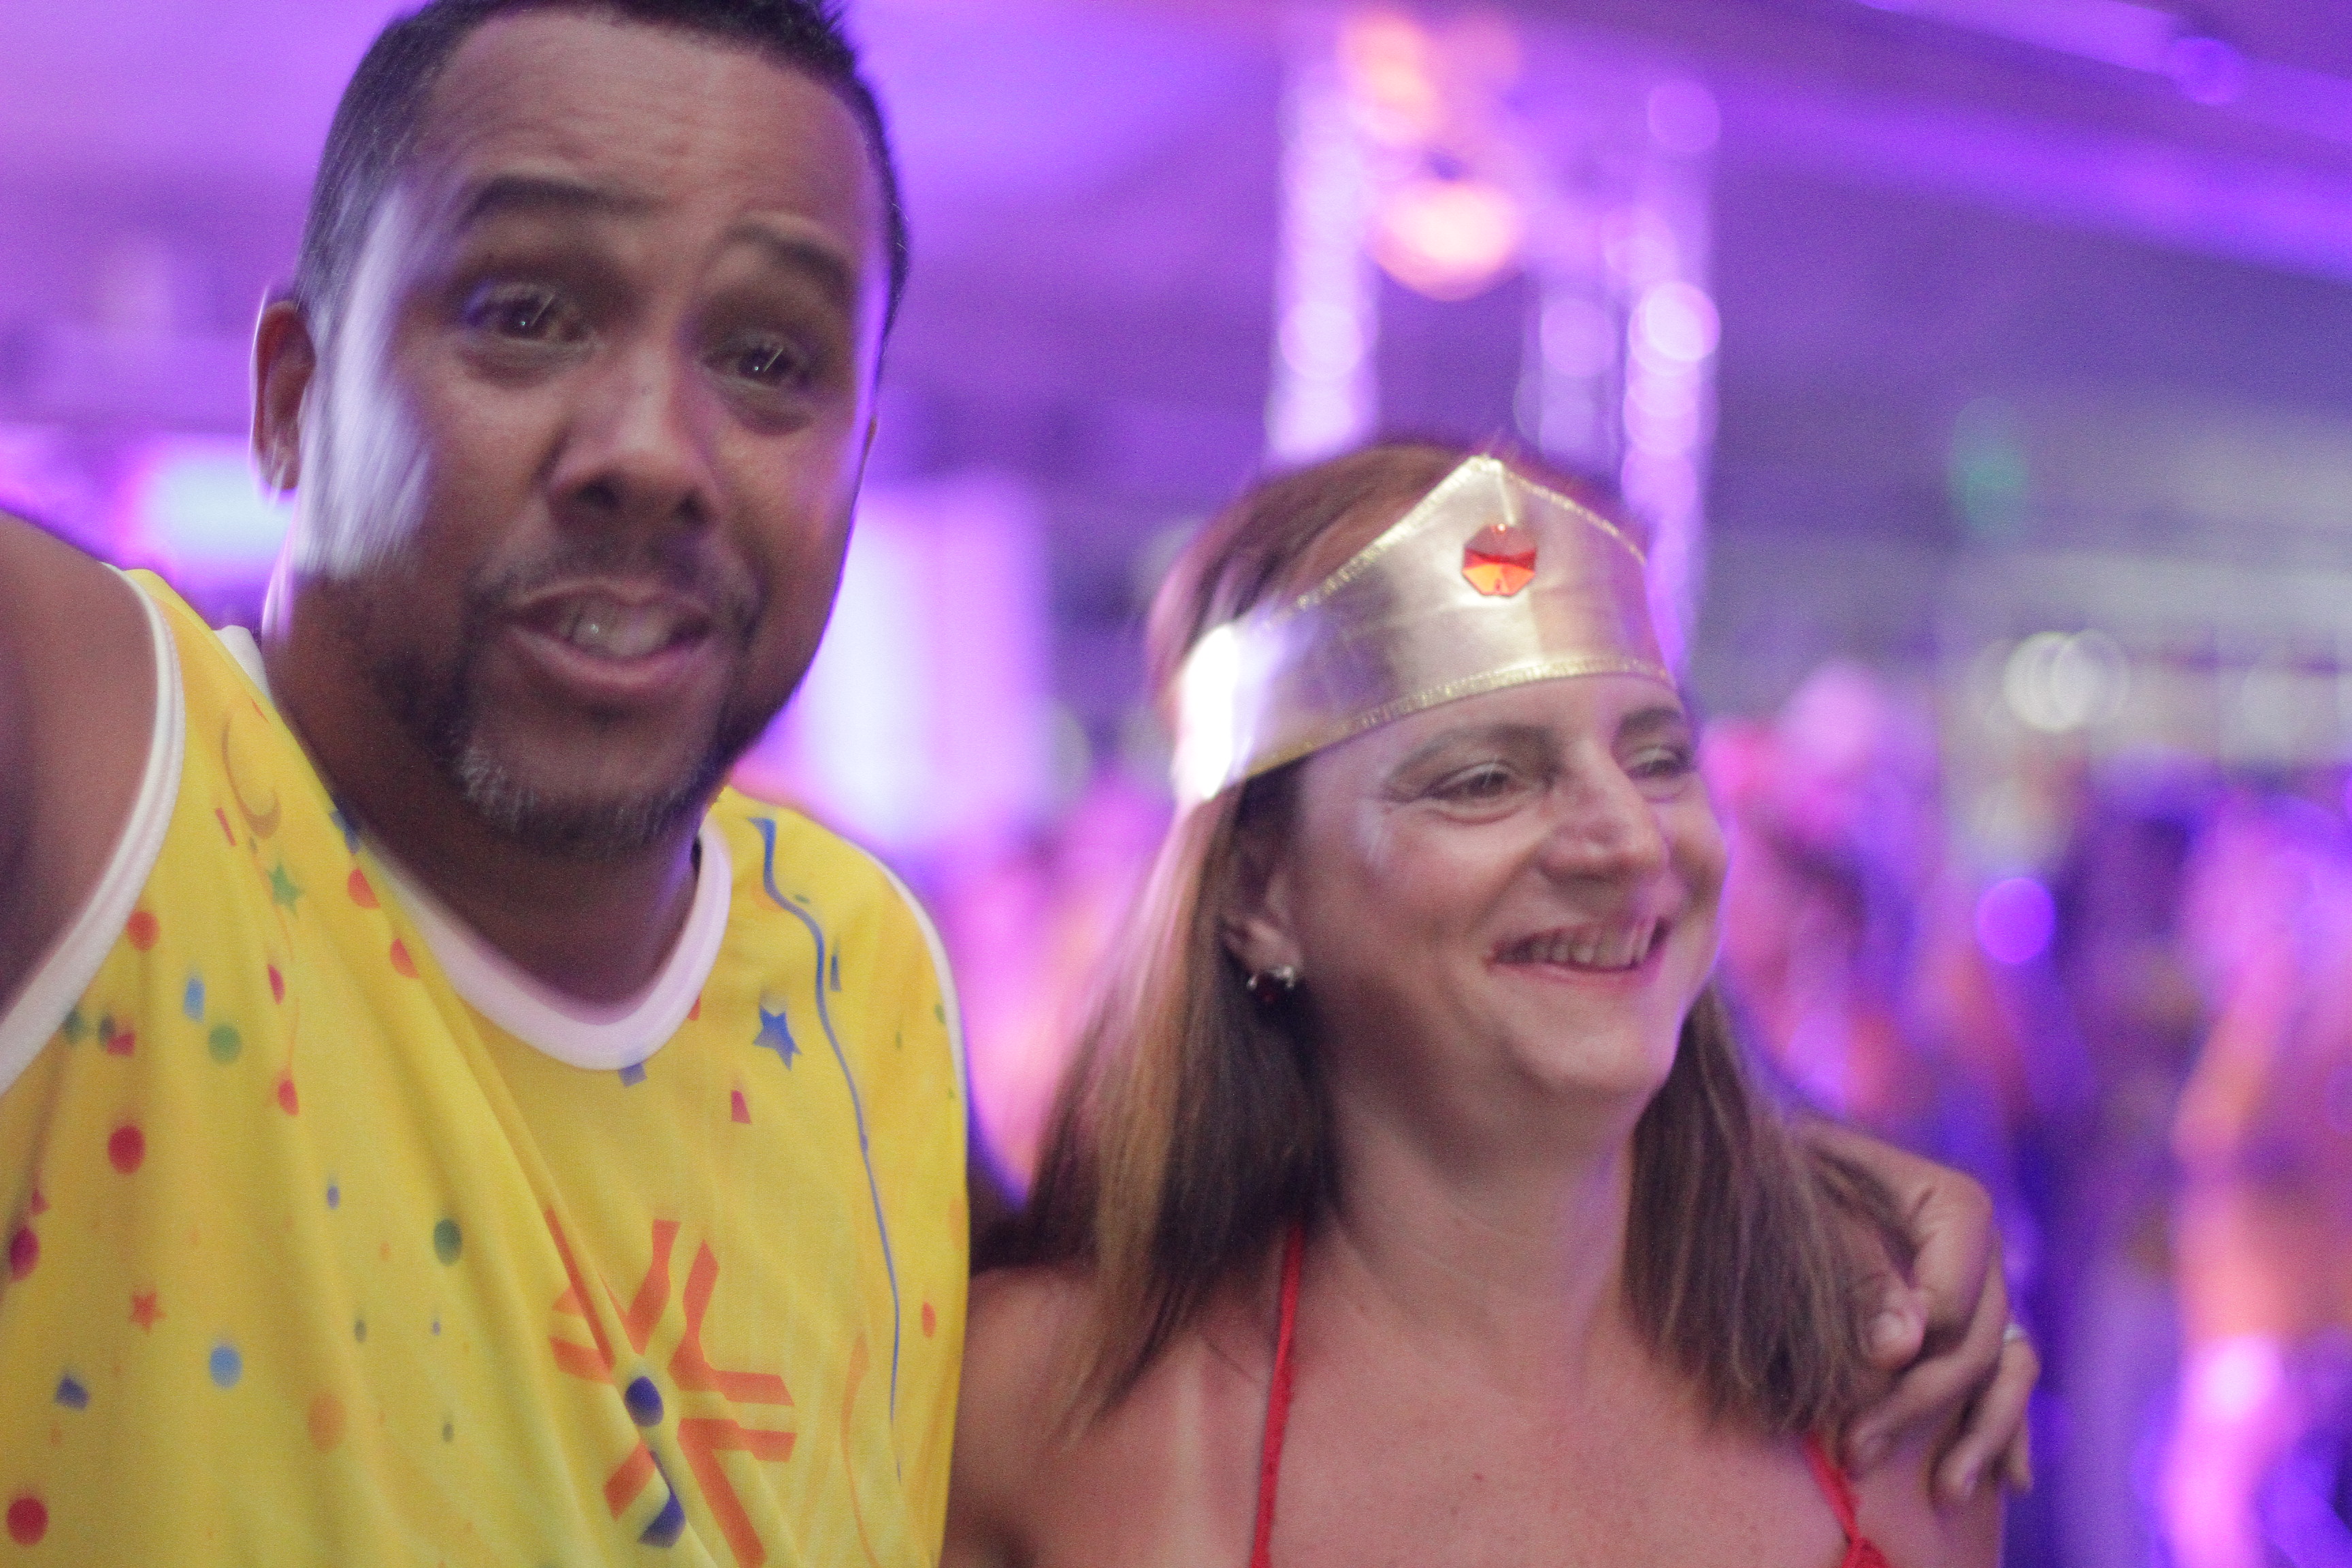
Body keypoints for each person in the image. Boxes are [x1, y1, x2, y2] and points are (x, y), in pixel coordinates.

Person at [0, 2, 967, 1562]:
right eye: (526, 314)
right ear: (292, 398)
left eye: (767, 358)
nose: (651, 453)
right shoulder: (109, 768)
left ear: (852, 457)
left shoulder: (865, 974)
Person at [947, 444, 2030, 1567]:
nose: (1630, 839)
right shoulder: (1044, 1421)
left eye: (1658, 758)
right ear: (1263, 895)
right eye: (1485, 779)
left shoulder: (1890, 1381)